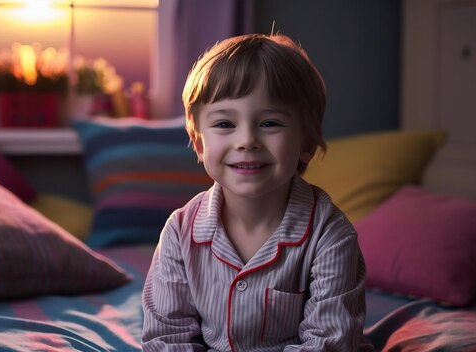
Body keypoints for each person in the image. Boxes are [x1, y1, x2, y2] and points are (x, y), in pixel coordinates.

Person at [142, 33, 374, 351]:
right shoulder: (180, 232)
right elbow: (167, 338)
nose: (247, 141)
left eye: (269, 123)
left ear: (306, 143)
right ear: (199, 144)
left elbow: (328, 343)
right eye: (225, 124)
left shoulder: (329, 235)